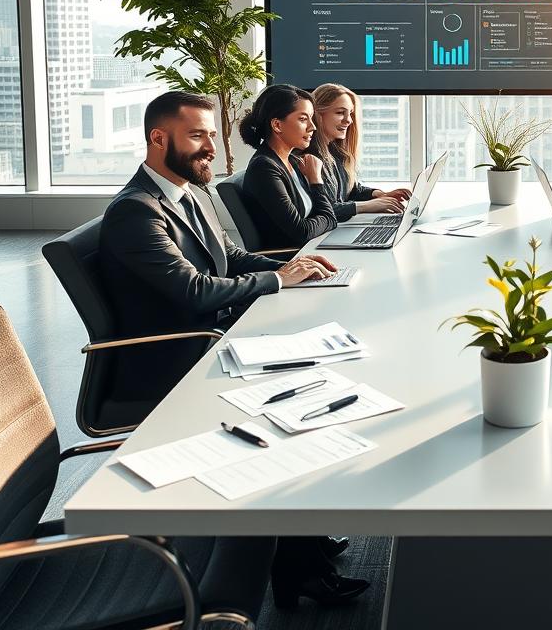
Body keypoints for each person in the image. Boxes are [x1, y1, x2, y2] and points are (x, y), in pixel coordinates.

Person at [101, 91, 368, 605]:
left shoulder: (189, 190)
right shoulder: (135, 213)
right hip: (175, 359)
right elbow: (194, 290)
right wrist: (277, 283)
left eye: (211, 133)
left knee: (320, 369)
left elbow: (230, 256)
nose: (210, 147)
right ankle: (299, 569)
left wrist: (285, 272)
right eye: (197, 135)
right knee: (295, 401)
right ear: (158, 139)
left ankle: (302, 551)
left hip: (213, 338)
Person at [239, 84, 337, 249]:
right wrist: (316, 181)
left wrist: (325, 218)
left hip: (311, 248)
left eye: (311, 118)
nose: (312, 127)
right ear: (277, 125)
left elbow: (323, 216)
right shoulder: (264, 168)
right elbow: (303, 231)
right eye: (303, 119)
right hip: (292, 260)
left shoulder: (293, 161)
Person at [307, 83, 411, 219]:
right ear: (317, 114)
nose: (348, 120)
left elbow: (351, 189)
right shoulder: (309, 158)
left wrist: (379, 195)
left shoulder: (335, 152)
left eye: (350, 113)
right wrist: (368, 206)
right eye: (339, 113)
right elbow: (324, 210)